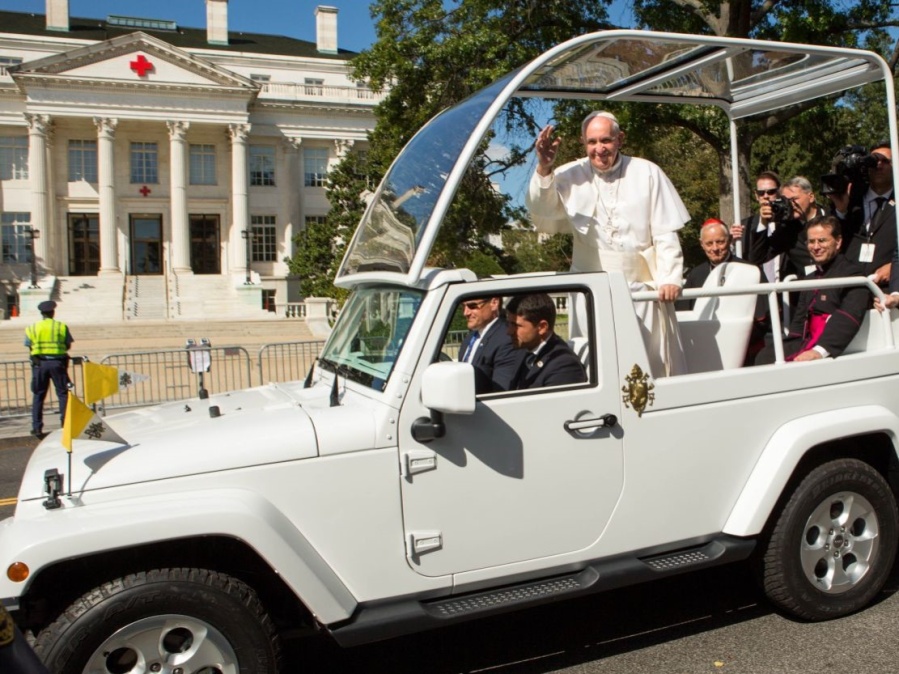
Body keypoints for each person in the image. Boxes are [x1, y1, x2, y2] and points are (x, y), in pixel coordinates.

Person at [525, 110, 689, 375]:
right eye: (592, 142)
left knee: (645, 362)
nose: (599, 149)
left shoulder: (647, 172)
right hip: (590, 286)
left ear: (620, 139)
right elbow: (541, 212)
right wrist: (544, 167)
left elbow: (665, 231)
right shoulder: (569, 174)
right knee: (596, 363)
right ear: (583, 143)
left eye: (606, 141)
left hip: (638, 288)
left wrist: (670, 277)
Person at [755, 217, 868, 364]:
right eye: (811, 242)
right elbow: (799, 323)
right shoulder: (810, 278)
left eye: (822, 241)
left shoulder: (853, 275)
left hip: (829, 345)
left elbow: (848, 317)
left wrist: (819, 351)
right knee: (764, 356)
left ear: (838, 242)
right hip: (806, 342)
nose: (816, 246)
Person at [829, 140, 896, 288]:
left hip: (886, 290)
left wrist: (895, 268)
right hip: (849, 289)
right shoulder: (850, 200)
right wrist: (841, 211)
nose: (878, 165)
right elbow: (831, 240)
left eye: (885, 161)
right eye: (873, 161)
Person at [751, 176, 827, 281]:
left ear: (811, 197)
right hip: (807, 290)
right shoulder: (788, 229)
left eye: (794, 199)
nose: (791, 205)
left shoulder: (832, 217)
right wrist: (763, 223)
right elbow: (758, 257)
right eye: (786, 201)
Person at [505, 293, 587, 390]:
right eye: (509, 324)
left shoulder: (564, 366)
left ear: (542, 327)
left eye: (516, 325)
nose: (509, 331)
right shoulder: (525, 351)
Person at [678, 218, 757, 311]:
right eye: (709, 243)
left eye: (720, 242)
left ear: (730, 240)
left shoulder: (749, 270)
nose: (715, 248)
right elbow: (684, 311)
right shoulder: (696, 275)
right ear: (702, 244)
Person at [24, 300, 73, 438]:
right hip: (58, 363)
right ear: (53, 312)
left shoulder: (32, 328)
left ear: (41, 313)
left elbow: (29, 345)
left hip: (39, 364)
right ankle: (65, 424)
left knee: (38, 395)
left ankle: (37, 427)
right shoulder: (61, 327)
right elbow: (67, 345)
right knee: (63, 394)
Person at [457, 295, 526, 393]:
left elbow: (501, 392)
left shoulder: (506, 339)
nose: (465, 313)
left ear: (494, 303)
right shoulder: (471, 337)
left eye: (472, 306)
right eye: (463, 307)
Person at [729, 171, 781, 281]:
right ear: (756, 195)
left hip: (786, 288)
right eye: (761, 193)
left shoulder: (787, 223)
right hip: (757, 288)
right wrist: (731, 242)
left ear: (779, 193)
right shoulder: (744, 226)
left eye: (771, 192)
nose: (766, 196)